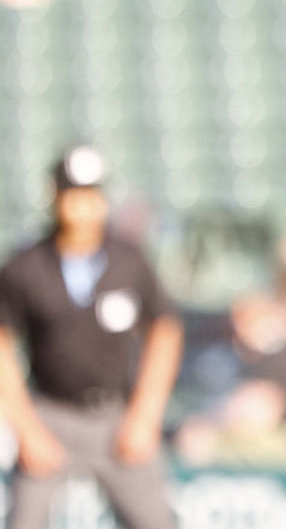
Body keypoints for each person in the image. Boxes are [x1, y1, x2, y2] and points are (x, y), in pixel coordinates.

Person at [0, 146, 183, 529]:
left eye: (89, 196)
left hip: (116, 416)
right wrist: (27, 429)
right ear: (55, 197)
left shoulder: (129, 262)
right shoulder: (26, 266)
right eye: (72, 196)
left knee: (157, 522)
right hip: (51, 415)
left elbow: (164, 332)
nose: (81, 207)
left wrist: (146, 415)